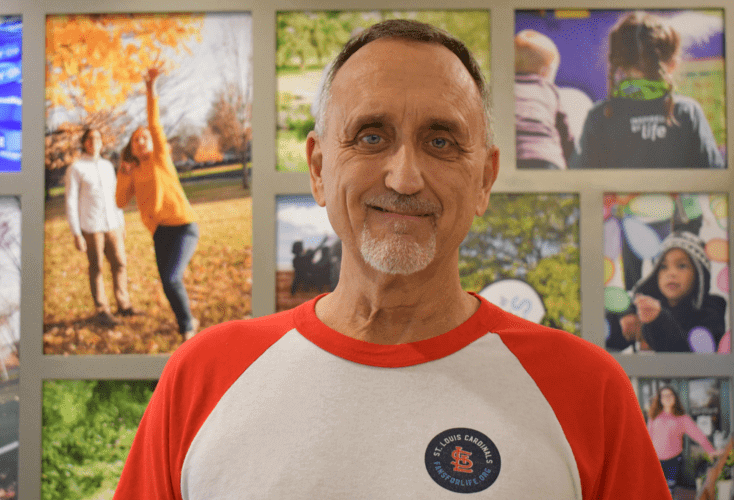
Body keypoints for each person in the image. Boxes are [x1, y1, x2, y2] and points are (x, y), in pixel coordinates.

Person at [114, 20, 670, 499]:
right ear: (317, 168)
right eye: (372, 136)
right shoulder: (203, 377)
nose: (404, 177)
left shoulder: (587, 390)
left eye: (442, 142)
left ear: (485, 179)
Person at [571, 11, 724, 169]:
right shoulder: (687, 112)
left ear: (619, 63)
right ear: (673, 64)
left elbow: (580, 176)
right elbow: (714, 173)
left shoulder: (600, 115)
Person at [116, 67, 199, 339]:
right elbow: (119, 201)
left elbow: (154, 123)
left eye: (144, 138)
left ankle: (187, 327)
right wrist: (122, 174)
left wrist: (151, 89)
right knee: (167, 282)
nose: (140, 141)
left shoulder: (161, 157)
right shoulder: (133, 171)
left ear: (151, 142)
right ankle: (186, 321)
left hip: (183, 227)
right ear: (131, 147)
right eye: (135, 139)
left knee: (172, 279)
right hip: (160, 232)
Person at [64, 127, 134, 327]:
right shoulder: (76, 168)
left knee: (120, 263)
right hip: (91, 226)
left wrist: (121, 223)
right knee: (97, 268)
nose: (93, 141)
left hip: (112, 224)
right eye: (89, 138)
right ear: (84, 142)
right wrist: (76, 233)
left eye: (97, 138)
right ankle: (102, 310)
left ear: (101, 142)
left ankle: (124, 305)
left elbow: (116, 196)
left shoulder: (107, 166)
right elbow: (70, 201)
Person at [618, 232, 727, 352]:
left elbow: (690, 354)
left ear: (700, 275)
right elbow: (609, 339)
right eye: (663, 266)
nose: (671, 273)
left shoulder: (712, 309)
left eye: (682, 266)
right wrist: (626, 316)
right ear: (656, 275)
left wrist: (657, 320)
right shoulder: (647, 304)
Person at [514, 29, 574, 169]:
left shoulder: (502, 89)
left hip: (511, 157)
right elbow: (565, 134)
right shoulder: (549, 90)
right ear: (545, 72)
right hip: (545, 157)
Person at [647, 386, 722, 496]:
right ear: (660, 399)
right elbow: (648, 437)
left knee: (668, 491)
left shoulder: (683, 418)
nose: (667, 398)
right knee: (654, 490)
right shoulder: (653, 416)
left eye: (670, 395)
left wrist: (710, 450)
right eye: (664, 396)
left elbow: (698, 435)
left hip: (673, 461)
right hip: (655, 460)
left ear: (675, 398)